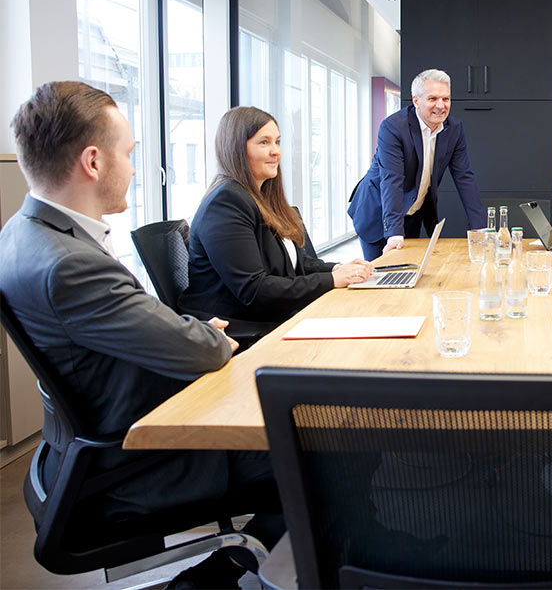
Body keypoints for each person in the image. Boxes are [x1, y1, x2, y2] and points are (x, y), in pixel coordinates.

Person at [0, 81, 284, 588]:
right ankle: (216, 577)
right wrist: (198, 335)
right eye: (128, 154)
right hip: (137, 462)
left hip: (91, 444)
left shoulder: (24, 233)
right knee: (318, 447)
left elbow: (141, 334)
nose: (134, 168)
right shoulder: (70, 267)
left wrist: (185, 332)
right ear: (92, 162)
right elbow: (205, 352)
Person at [179, 106, 372, 345]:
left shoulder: (263, 197)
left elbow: (297, 264)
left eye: (277, 142)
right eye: (264, 142)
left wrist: (339, 269)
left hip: (271, 318)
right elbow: (254, 289)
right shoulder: (225, 202)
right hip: (240, 329)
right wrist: (333, 280)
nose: (276, 152)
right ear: (237, 148)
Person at [348, 69, 486, 260]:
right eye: (433, 99)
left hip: (412, 214)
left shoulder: (454, 128)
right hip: (377, 213)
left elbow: (464, 177)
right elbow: (392, 180)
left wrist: (480, 228)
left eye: (446, 99)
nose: (441, 106)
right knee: (379, 278)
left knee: (406, 276)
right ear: (416, 101)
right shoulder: (393, 127)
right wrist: (394, 233)